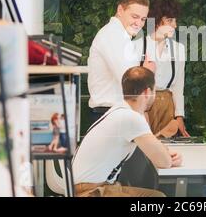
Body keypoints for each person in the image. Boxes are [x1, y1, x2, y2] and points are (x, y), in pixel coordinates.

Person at [72, 66, 182, 197]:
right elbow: (163, 162)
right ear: (147, 92)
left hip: (99, 187)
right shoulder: (131, 118)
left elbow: (153, 147)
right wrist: (167, 157)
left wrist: (166, 154)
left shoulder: (121, 111)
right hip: (90, 191)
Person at [87, 0, 155, 125]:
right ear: (120, 10)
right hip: (110, 114)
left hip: (114, 113)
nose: (139, 24)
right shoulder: (113, 35)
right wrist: (148, 72)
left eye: (143, 19)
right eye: (134, 17)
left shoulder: (119, 35)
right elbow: (131, 83)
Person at [137, 0, 189, 138]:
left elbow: (178, 86)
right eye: (170, 20)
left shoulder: (179, 49)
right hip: (144, 107)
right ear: (157, 20)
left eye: (175, 20)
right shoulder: (137, 46)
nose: (175, 25)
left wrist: (179, 117)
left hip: (167, 106)